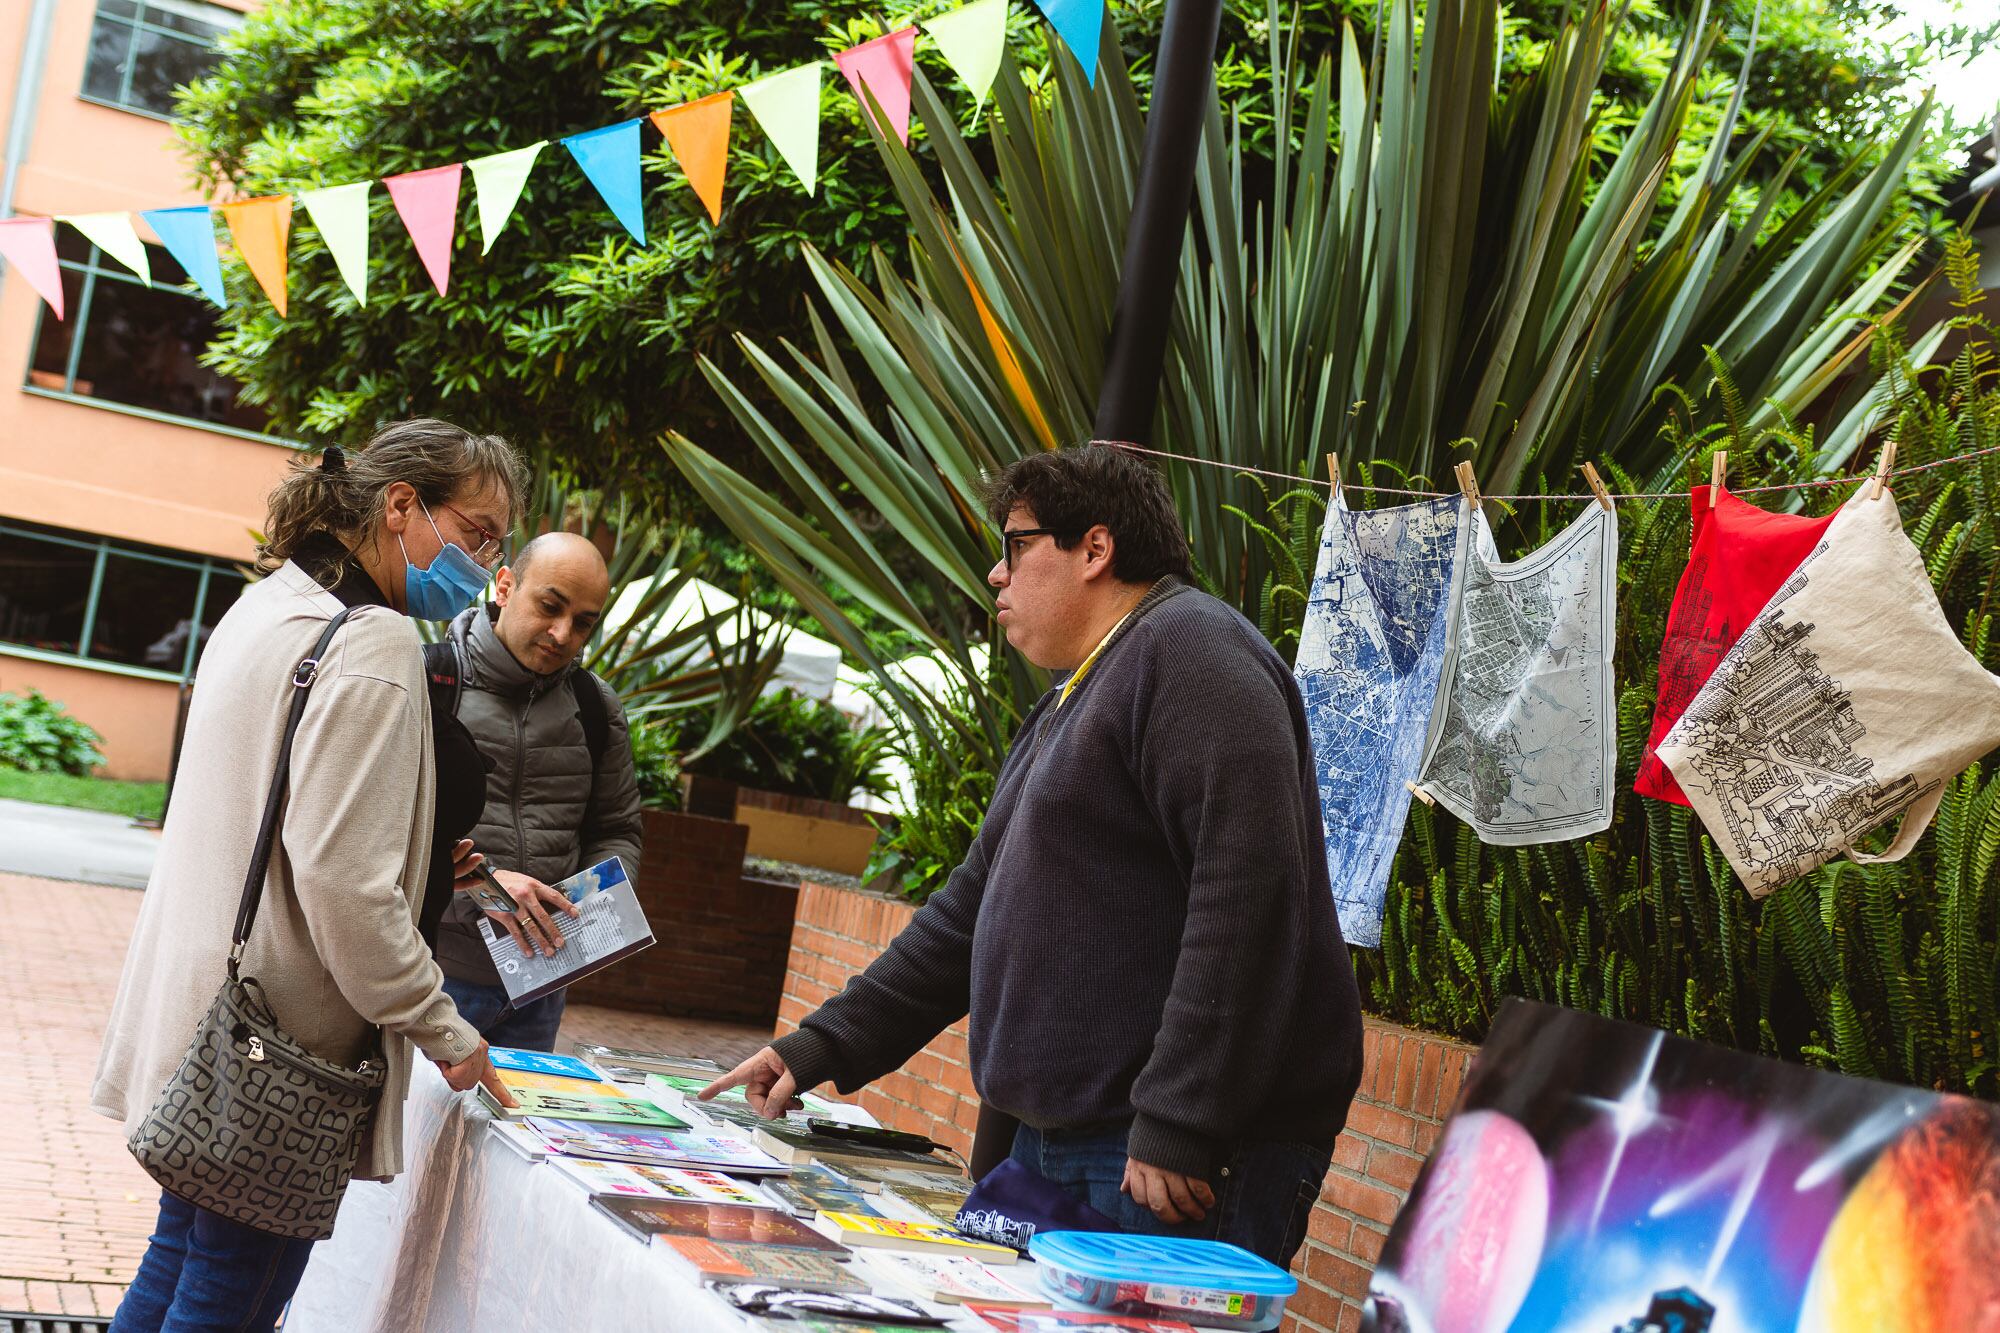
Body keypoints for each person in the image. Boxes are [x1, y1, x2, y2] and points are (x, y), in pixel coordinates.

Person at [706, 444, 1365, 1269]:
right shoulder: (1077, 693)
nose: (995, 573)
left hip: (1161, 1156)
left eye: (1016, 544)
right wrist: (818, 1046)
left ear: (1096, 548)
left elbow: (1247, 893)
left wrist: (1182, 1117)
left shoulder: (1192, 648)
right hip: (1069, 1142)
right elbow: (968, 911)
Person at [92, 418, 527, 1332]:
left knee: (178, 1262)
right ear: (402, 505)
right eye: (477, 532)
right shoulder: (373, 642)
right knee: (230, 1298)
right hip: (281, 1049)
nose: (485, 565)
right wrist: (445, 1029)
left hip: (210, 1021)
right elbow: (345, 885)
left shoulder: (272, 602)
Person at [429, 530, 644, 1051]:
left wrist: (594, 911)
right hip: (432, 981)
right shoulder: (428, 680)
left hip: (540, 991)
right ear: (504, 586)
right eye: (551, 606)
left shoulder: (596, 706)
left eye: (585, 622)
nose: (562, 633)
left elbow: (616, 829)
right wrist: (489, 888)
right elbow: (386, 832)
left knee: (513, 1134)